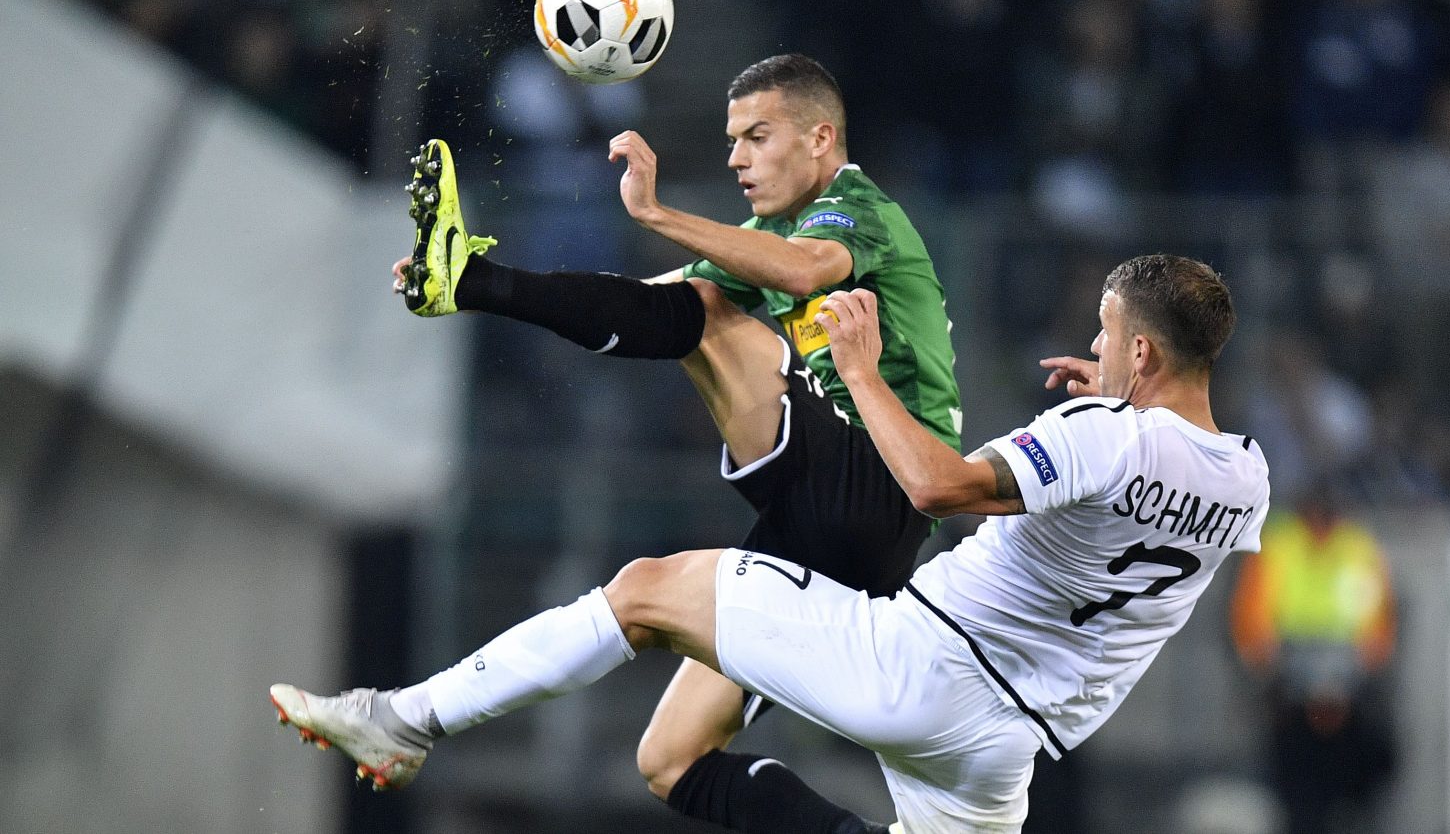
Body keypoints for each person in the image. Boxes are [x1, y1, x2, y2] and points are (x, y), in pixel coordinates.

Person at [272, 254, 1271, 832]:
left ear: (1141, 352)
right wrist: (1111, 412)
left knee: (647, 591)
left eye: (1105, 338)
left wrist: (860, 368)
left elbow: (938, 485)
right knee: (671, 760)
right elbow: (1145, 487)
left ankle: (404, 720)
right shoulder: (1245, 476)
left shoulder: (1104, 432)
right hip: (1008, 754)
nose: (1093, 352)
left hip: (922, 668)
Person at [390, 53, 963, 833]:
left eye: (757, 137)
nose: (735, 159)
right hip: (828, 534)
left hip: (882, 493)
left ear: (820, 138)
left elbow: (802, 274)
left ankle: (414, 715)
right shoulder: (769, 237)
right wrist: (485, 286)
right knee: (670, 759)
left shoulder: (857, 210)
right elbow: (653, 314)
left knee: (711, 317)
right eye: (732, 141)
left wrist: (657, 215)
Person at [1229, 485, 1398, 834]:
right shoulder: (1278, 545)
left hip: (1348, 699)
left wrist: (1349, 680)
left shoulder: (1357, 548)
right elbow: (1252, 627)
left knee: (1364, 781)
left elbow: (1378, 632)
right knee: (1300, 799)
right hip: (1291, 698)